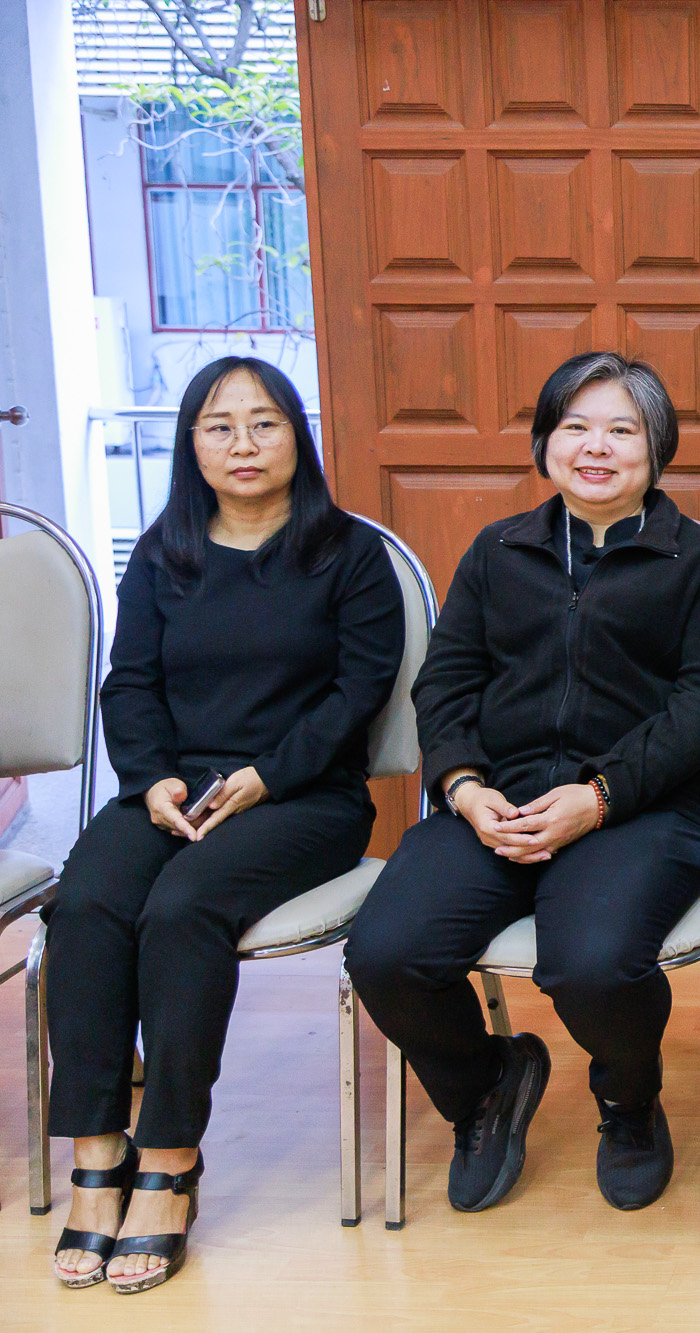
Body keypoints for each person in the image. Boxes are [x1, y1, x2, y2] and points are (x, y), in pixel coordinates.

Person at [345, 352, 700, 1215]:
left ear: (657, 448)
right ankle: (485, 1087)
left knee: (592, 962)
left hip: (646, 810)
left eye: (621, 429)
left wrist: (597, 797)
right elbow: (445, 684)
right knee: (385, 952)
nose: (595, 446)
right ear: (545, 443)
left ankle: (628, 1100)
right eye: (575, 426)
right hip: (497, 802)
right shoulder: (497, 553)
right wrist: (463, 787)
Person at [45, 357, 405, 1293]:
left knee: (183, 908)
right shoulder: (162, 553)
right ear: (192, 444)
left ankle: (169, 1159)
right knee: (86, 902)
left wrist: (267, 774)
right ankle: (96, 1153)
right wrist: (153, 780)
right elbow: (130, 683)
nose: (243, 443)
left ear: (297, 435)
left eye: (263, 422)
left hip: (305, 794)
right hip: (175, 787)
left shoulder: (349, 555)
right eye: (219, 425)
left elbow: (358, 692)